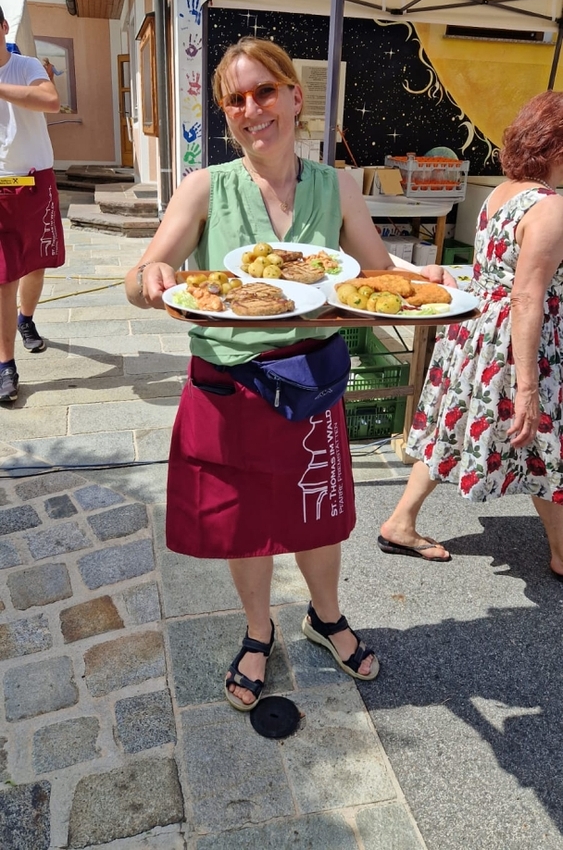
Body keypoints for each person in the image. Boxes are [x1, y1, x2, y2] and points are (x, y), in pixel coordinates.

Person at [125, 37, 452, 710]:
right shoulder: (205, 187)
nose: (252, 109)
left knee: (318, 511)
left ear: (294, 97)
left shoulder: (336, 185)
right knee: (243, 522)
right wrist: (150, 275)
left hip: (309, 379)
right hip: (229, 384)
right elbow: (143, 274)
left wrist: (420, 277)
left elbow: (373, 269)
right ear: (226, 113)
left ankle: (325, 617)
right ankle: (257, 630)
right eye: (236, 99)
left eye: (265, 91)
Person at [378, 90, 563, 580]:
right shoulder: (550, 208)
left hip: (477, 333)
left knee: (453, 426)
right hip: (517, 344)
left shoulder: (503, 193)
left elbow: (499, 278)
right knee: (544, 438)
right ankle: (562, 553)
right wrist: (528, 387)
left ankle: (401, 522)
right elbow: (526, 298)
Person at [0, 6, 64, 403]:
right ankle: (5, 365)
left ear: (3, 26)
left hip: (35, 179)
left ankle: (26, 319)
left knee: (35, 266)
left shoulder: (25, 67)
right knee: (4, 276)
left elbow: (50, 100)